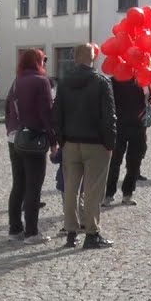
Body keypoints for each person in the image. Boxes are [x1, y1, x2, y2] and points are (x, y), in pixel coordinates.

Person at [53, 43, 116, 249]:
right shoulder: (101, 82)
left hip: (70, 142)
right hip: (95, 143)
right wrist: (110, 142)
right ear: (92, 58)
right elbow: (109, 116)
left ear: (74, 58)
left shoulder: (63, 83)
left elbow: (57, 113)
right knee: (93, 190)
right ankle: (92, 233)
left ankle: (71, 233)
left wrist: (61, 139)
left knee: (70, 189)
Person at [4, 49, 56, 244]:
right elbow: (46, 113)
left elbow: (8, 107)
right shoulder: (41, 81)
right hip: (33, 138)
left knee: (18, 184)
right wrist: (53, 141)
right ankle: (32, 232)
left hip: (14, 138)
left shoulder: (17, 81)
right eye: (44, 60)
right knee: (34, 185)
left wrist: (10, 129)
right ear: (38, 62)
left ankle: (15, 228)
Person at [104, 76, 149, 206]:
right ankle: (108, 193)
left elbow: (150, 100)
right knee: (114, 161)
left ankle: (127, 193)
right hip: (119, 126)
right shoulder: (113, 81)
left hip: (138, 126)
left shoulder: (142, 80)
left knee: (134, 162)